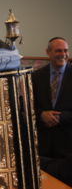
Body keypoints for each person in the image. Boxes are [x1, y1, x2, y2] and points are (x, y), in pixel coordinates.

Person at [32, 37, 72, 178]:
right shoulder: (35, 77)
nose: (63, 54)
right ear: (48, 52)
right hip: (43, 145)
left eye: (66, 50)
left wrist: (60, 117)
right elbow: (27, 108)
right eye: (58, 50)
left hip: (68, 146)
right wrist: (41, 114)